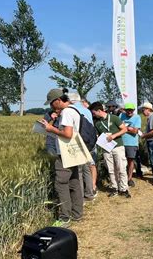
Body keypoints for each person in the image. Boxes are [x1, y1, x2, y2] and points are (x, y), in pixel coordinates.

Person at [40, 88, 83, 226]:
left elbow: (68, 134)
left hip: (65, 154)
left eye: (52, 103)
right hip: (75, 152)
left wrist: (50, 129)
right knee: (74, 182)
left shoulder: (66, 112)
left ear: (58, 100)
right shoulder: (74, 110)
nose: (51, 107)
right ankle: (77, 213)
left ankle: (65, 217)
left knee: (61, 183)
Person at [89, 102, 130, 198]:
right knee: (111, 169)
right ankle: (114, 188)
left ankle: (124, 189)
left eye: (94, 112)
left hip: (118, 146)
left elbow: (124, 129)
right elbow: (99, 135)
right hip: (106, 148)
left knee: (121, 168)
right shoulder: (98, 123)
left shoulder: (114, 118)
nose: (93, 114)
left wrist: (114, 136)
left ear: (99, 111)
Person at [69, 92, 96, 201]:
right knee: (87, 169)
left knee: (78, 171)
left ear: (71, 101)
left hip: (78, 142)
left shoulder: (71, 111)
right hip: (89, 142)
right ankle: (89, 193)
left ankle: (79, 197)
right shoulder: (87, 111)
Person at [119, 103, 142, 187]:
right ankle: (122, 178)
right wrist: (129, 128)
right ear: (125, 110)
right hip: (121, 142)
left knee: (130, 161)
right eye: (128, 110)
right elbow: (118, 127)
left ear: (133, 110)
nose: (129, 112)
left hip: (131, 143)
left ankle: (129, 178)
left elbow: (136, 131)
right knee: (121, 161)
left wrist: (125, 128)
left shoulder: (137, 117)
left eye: (131, 110)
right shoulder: (121, 115)